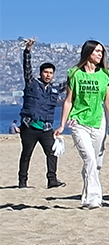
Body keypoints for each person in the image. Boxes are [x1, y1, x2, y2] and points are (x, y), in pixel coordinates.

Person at [54, 40, 109, 208]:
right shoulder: (74, 73)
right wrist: (61, 125)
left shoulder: (105, 75)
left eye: (101, 52)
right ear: (88, 52)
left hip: (98, 121)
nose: (100, 54)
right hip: (78, 121)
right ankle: (94, 198)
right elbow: (68, 101)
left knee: (95, 162)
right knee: (89, 159)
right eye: (97, 51)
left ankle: (86, 195)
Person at [17, 38, 65, 189]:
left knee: (52, 153)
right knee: (26, 155)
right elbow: (27, 68)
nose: (48, 75)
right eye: (45, 72)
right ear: (41, 73)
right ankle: (22, 182)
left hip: (46, 128)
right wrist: (28, 51)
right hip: (29, 127)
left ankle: (52, 180)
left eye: (51, 73)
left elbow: (72, 81)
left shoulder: (55, 90)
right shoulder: (31, 83)